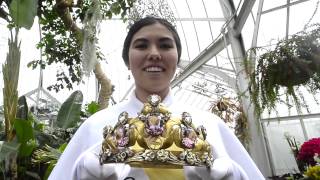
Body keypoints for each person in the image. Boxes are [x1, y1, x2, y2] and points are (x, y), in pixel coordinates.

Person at [48, 16, 264, 180]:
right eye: (141, 45)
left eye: (165, 45)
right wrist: (80, 172)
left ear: (177, 59)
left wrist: (235, 174)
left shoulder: (210, 125)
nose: (154, 53)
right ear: (127, 60)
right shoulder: (95, 126)